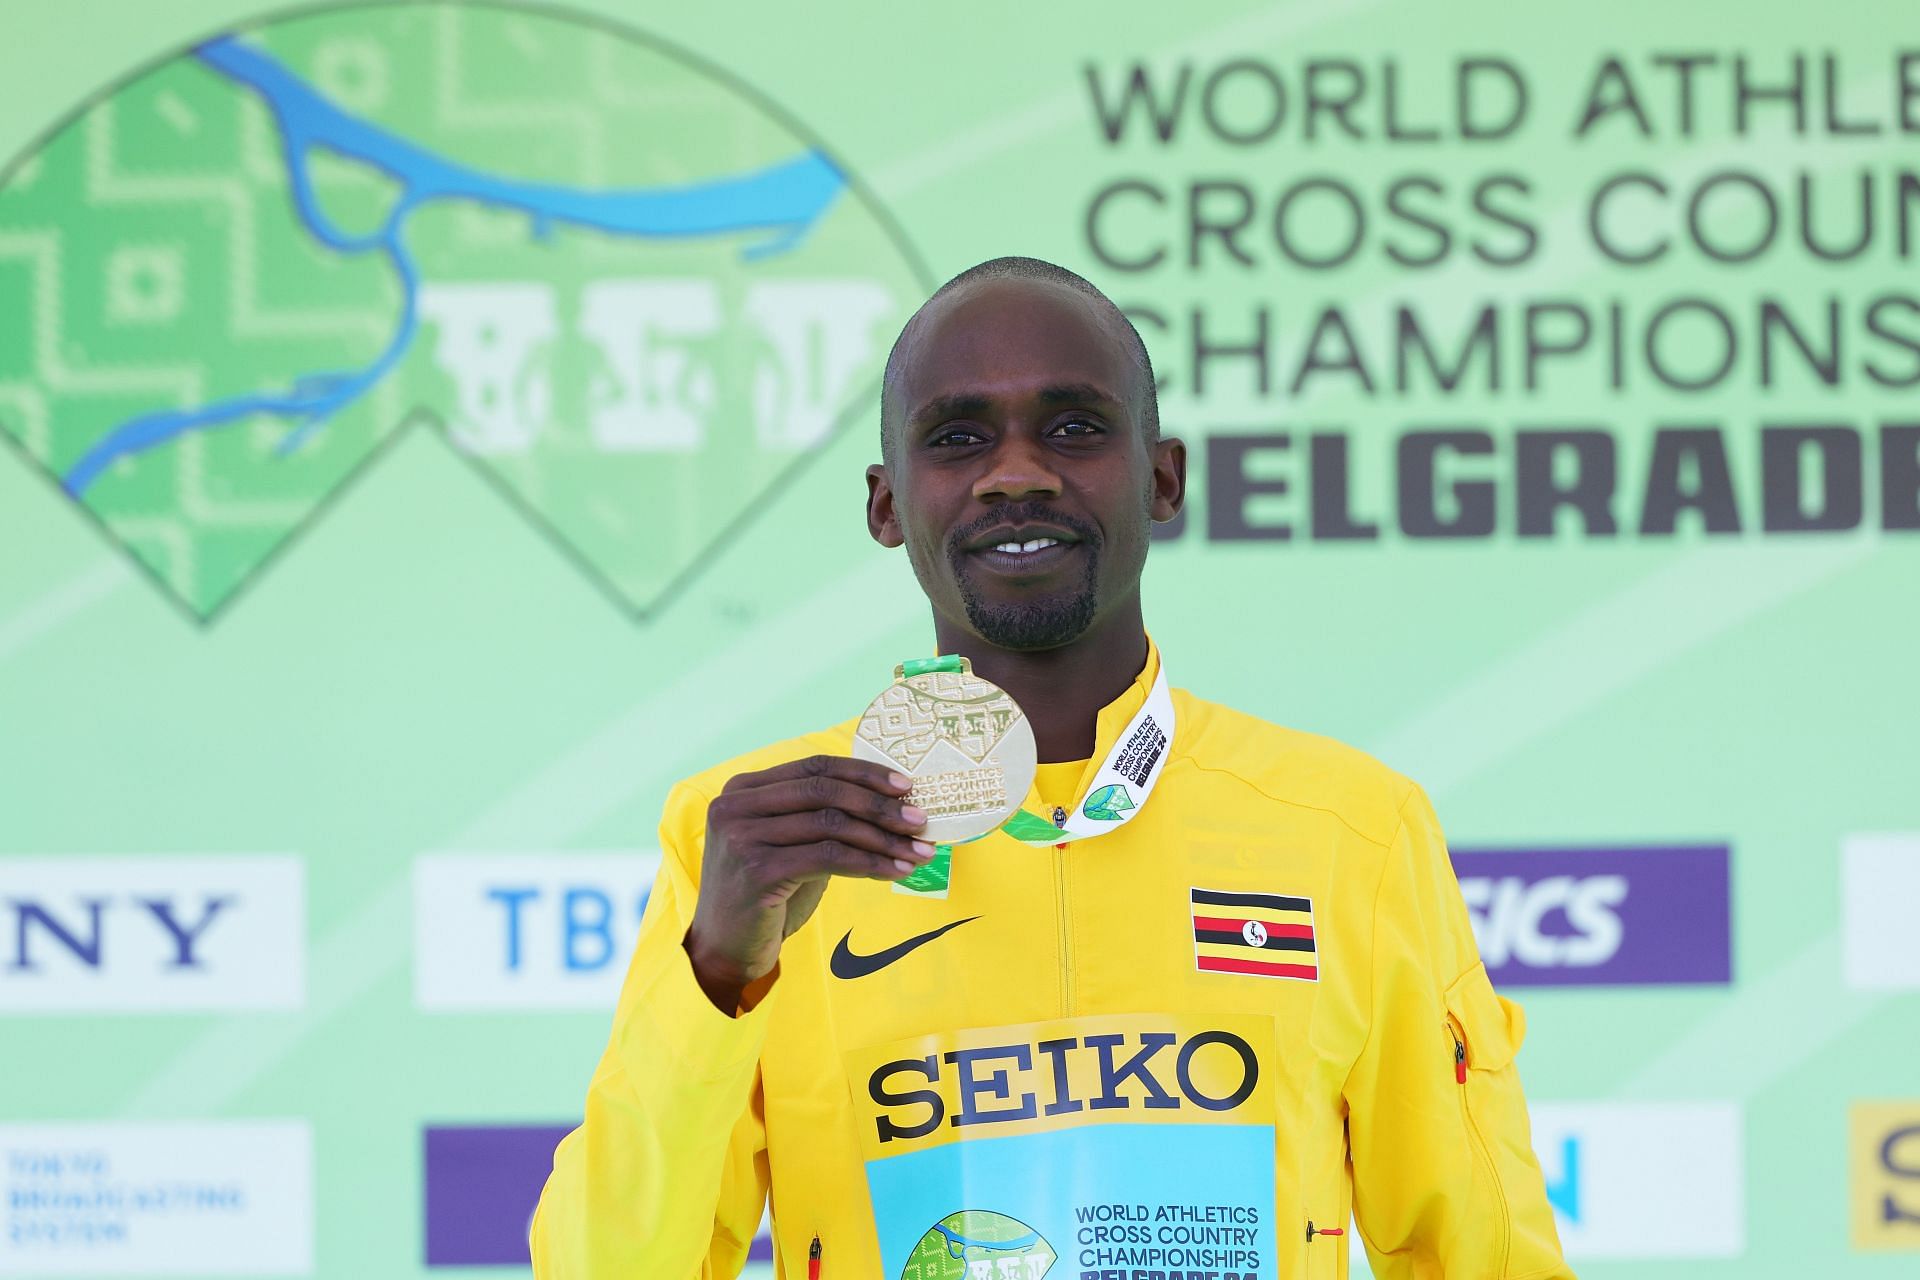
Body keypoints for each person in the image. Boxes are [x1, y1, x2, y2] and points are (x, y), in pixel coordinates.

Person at [530, 256, 1573, 1280]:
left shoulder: (1350, 828)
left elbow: (1482, 1254)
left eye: (1073, 426)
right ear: (887, 505)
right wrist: (716, 968)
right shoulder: (772, 841)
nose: (1018, 471)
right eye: (959, 436)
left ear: (1162, 477)